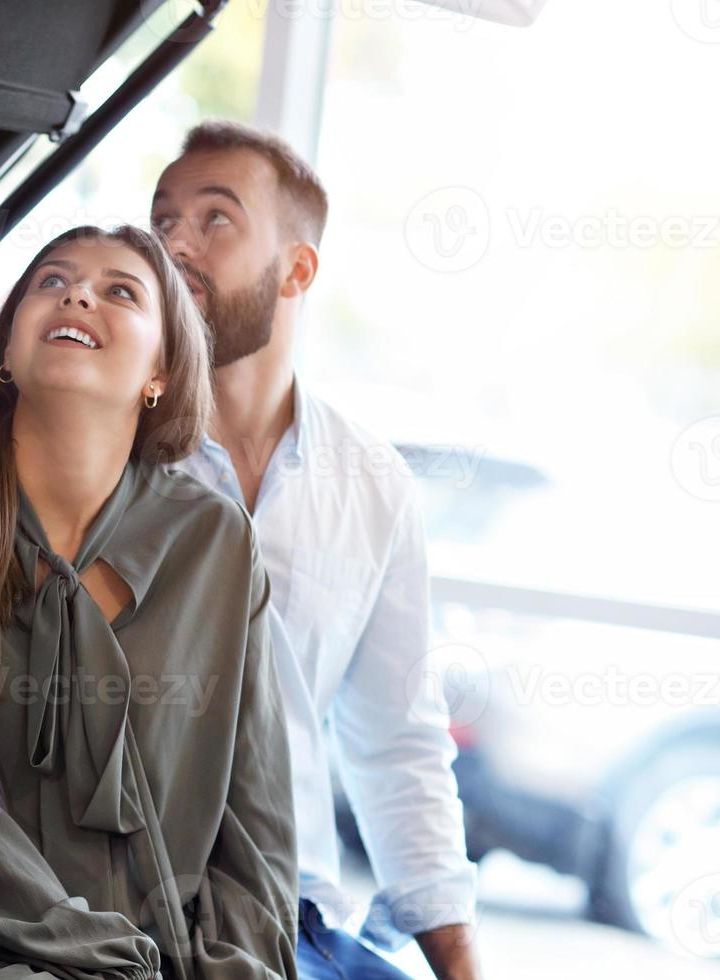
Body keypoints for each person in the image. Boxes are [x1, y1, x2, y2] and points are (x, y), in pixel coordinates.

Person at [0, 224, 299, 980]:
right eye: (51, 281)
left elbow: (258, 824)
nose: (77, 294)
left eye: (122, 291)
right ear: (10, 354)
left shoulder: (216, 541)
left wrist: (243, 966)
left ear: (161, 371)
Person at [150, 121, 481, 980]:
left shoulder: (373, 483)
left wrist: (463, 966)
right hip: (136, 906)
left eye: (215, 219)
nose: (175, 243)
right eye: (163, 221)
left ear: (297, 269)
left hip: (300, 920)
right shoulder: (105, 447)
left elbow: (397, 745)